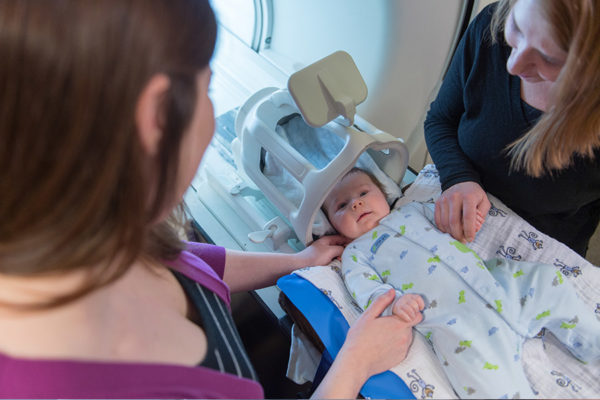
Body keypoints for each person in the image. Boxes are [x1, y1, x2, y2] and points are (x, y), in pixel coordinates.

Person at [0, 1, 416, 398]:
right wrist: (356, 362)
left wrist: (296, 263)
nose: (213, 112)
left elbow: (187, 262)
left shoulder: (102, 232)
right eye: (207, 89)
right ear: (156, 118)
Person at [323, 168, 600, 399]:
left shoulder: (414, 210)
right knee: (487, 384)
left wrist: (464, 219)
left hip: (497, 284)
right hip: (460, 327)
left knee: (546, 280)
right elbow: (368, 291)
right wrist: (395, 303)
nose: (356, 204)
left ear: (384, 194)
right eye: (342, 205)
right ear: (333, 225)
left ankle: (591, 342)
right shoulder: (355, 254)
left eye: (362, 193)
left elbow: (448, 219)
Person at [424, 0, 600, 257]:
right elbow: (440, 120)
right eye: (517, 27)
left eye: (549, 57)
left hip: (543, 248)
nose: (513, 65)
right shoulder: (490, 25)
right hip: (459, 200)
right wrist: (458, 178)